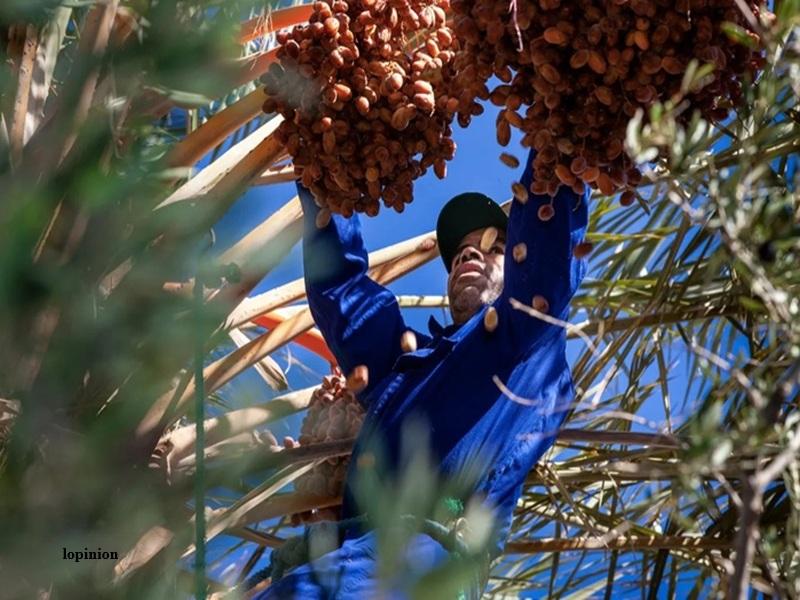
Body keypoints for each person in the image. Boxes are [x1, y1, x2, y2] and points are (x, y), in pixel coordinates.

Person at [256, 146, 588, 598]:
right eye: (458, 254)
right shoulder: (405, 368)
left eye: (491, 245)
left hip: (427, 557)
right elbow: (341, 290)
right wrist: (323, 166)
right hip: (345, 558)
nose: (469, 251)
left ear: (515, 262)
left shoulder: (528, 341)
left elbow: (548, 249)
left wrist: (557, 133)